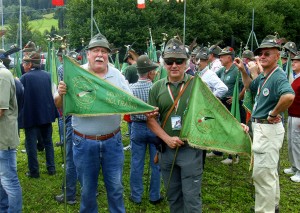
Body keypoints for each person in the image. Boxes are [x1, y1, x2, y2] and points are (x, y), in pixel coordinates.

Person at [57, 33, 131, 213]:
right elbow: (59, 106)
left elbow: (130, 101)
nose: (100, 54)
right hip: (83, 142)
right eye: (96, 50)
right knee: (87, 190)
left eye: (104, 51)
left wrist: (146, 110)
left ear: (108, 55)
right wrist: (61, 93)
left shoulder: (117, 75)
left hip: (112, 141)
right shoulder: (75, 74)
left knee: (115, 188)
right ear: (88, 54)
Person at [234, 35, 295, 213]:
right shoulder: (264, 76)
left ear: (277, 56)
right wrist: (244, 71)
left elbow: (289, 96)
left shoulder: (277, 77)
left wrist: (274, 113)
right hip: (264, 128)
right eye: (260, 53)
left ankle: (264, 210)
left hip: (267, 128)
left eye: (267, 53)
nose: (262, 56)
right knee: (269, 172)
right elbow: (250, 87)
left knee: (262, 175)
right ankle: (273, 205)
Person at [146, 38, 204, 213]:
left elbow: (212, 113)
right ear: (163, 64)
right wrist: (167, 138)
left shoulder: (197, 85)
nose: (174, 65)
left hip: (191, 149)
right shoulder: (156, 88)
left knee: (192, 198)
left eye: (179, 61)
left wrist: (236, 125)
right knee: (173, 197)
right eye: (169, 62)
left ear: (186, 63)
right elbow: (150, 120)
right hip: (167, 151)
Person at [129, 55, 162, 205]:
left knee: (136, 162)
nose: (155, 72)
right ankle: (154, 196)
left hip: (137, 127)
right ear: (149, 73)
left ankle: (136, 196)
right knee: (156, 163)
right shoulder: (157, 88)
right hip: (155, 128)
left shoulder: (130, 89)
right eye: (153, 70)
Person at [19, 52, 58, 178]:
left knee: (31, 145)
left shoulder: (25, 78)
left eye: (25, 63)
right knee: (48, 142)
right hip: (46, 114)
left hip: (30, 116)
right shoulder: (48, 75)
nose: (23, 65)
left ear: (30, 64)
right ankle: (51, 168)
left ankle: (34, 172)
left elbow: (20, 96)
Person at [54, 51, 80, 205]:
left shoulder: (63, 70)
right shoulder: (83, 71)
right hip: (79, 115)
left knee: (71, 158)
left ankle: (69, 194)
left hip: (72, 117)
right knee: (85, 157)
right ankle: (90, 189)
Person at [214, 46, 245, 164]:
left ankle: (234, 156)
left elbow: (246, 86)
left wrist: (238, 97)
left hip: (233, 104)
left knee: (233, 128)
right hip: (222, 102)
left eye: (222, 56)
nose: (220, 58)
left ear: (229, 57)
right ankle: (218, 151)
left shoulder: (237, 70)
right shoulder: (222, 70)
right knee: (221, 127)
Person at [0, 54, 23, 213]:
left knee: (9, 181)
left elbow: (0, 110)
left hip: (4, 138)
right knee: (2, 181)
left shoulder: (2, 76)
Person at [284, 53, 300, 182]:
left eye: (297, 61)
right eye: (293, 61)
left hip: (298, 117)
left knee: (297, 143)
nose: (293, 63)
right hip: (292, 114)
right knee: (291, 142)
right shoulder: (296, 78)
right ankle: (295, 166)